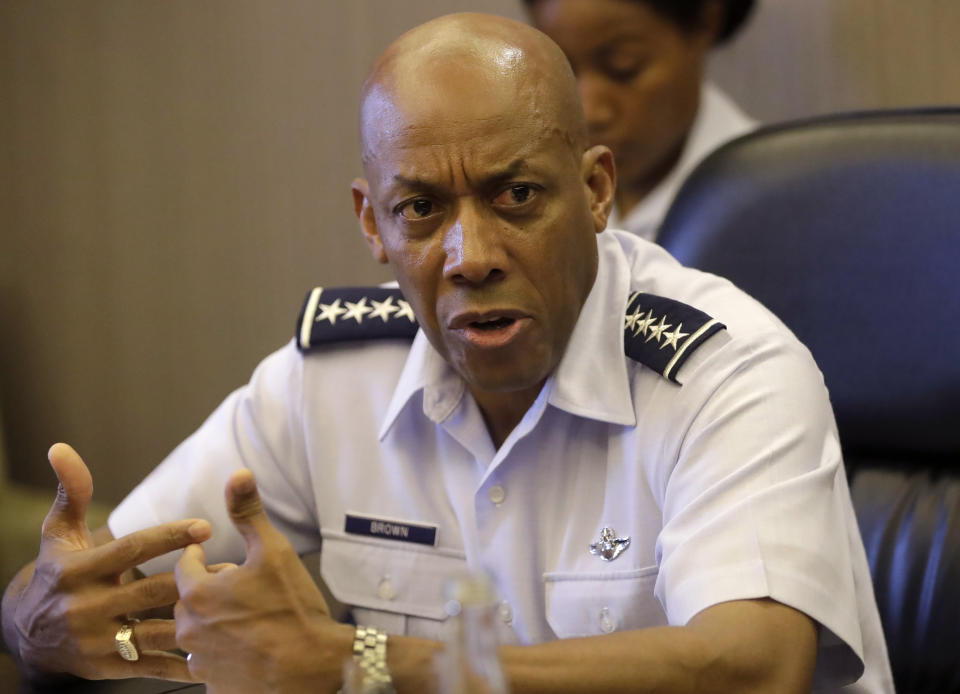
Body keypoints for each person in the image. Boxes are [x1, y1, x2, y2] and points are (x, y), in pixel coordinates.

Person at [2, 12, 893, 694]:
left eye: (515, 195)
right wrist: (40, 616)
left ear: (594, 192)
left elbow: (754, 666)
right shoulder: (331, 378)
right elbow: (87, 585)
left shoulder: (729, 371)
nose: (471, 254)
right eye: (422, 208)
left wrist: (359, 662)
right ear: (372, 222)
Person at [523, 0, 758, 242]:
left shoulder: (770, 198)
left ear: (707, 21)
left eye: (623, 66)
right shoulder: (528, 187)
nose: (589, 112)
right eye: (563, 69)